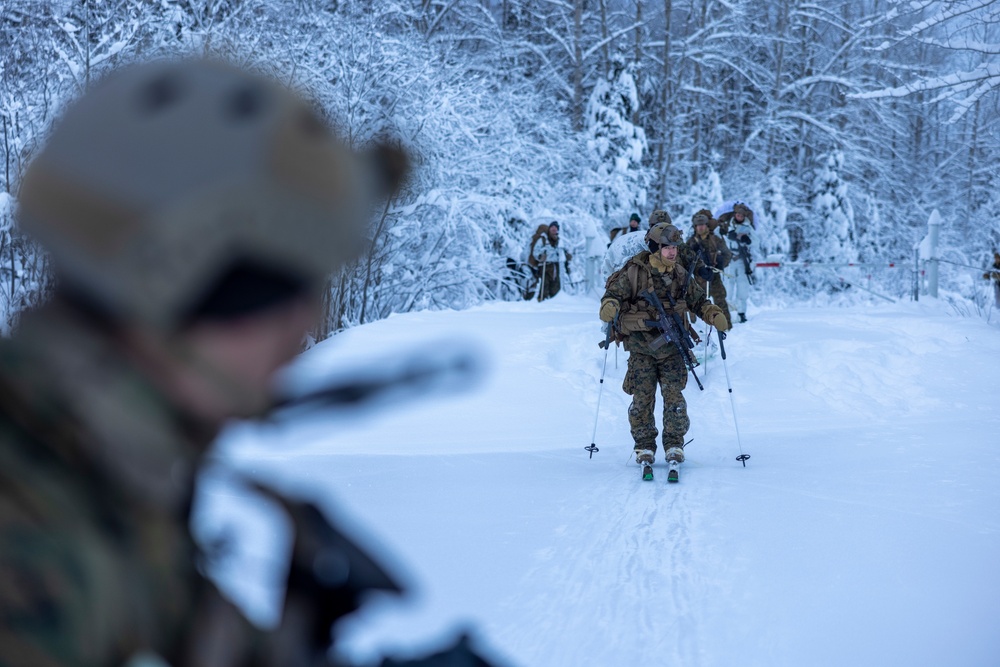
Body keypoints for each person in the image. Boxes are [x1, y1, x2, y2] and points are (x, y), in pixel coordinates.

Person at [0, 59, 498, 667]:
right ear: (164, 286)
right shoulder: (33, 550)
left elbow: (203, 639)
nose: (304, 329)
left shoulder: (95, 469)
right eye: (277, 291)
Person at [599, 222, 729, 480]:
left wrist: (712, 313)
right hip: (641, 349)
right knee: (642, 400)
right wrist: (611, 305)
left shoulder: (680, 274)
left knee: (675, 399)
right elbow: (613, 293)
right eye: (667, 248)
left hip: (672, 349)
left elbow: (697, 301)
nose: (673, 252)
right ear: (655, 248)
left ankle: (674, 444)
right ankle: (644, 446)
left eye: (674, 248)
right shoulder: (634, 272)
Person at [686, 209, 733, 329]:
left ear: (707, 225)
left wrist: (720, 265)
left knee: (720, 299)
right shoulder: (691, 242)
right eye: (698, 225)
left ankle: (725, 326)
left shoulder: (715, 240)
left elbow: (727, 254)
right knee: (694, 301)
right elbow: (684, 259)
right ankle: (695, 327)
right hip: (698, 278)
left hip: (714, 276)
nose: (700, 228)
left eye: (702, 225)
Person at [722, 203, 755, 324]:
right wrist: (729, 236)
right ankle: (727, 314)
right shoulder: (727, 225)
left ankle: (741, 313)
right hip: (729, 260)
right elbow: (720, 240)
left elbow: (756, 243)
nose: (739, 216)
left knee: (742, 287)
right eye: (737, 214)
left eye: (741, 215)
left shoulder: (749, 227)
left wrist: (748, 240)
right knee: (728, 287)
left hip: (742, 260)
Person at [528, 220, 571, 301]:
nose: (554, 229)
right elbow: (536, 251)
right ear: (549, 229)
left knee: (555, 286)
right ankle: (541, 301)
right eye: (552, 228)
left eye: (555, 228)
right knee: (545, 284)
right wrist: (541, 256)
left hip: (555, 266)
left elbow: (565, 252)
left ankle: (554, 302)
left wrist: (566, 255)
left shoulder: (559, 241)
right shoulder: (543, 239)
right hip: (545, 266)